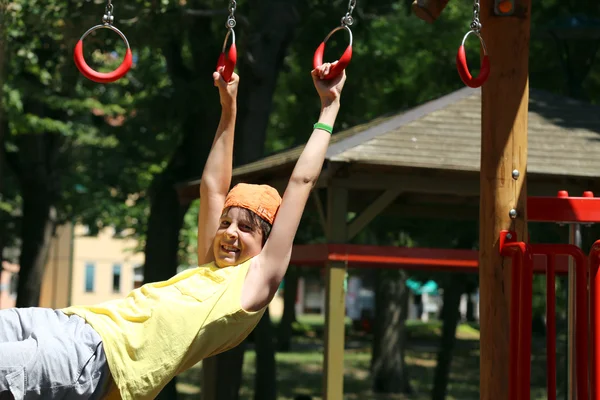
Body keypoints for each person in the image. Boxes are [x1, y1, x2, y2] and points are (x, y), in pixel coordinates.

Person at [0, 62, 346, 400]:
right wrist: (229, 107)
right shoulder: (210, 265)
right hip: (72, 323)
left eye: (245, 228)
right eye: (226, 223)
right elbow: (212, 187)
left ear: (267, 243)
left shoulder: (253, 285)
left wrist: (329, 109)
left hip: (93, 360)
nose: (229, 233)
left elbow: (301, 182)